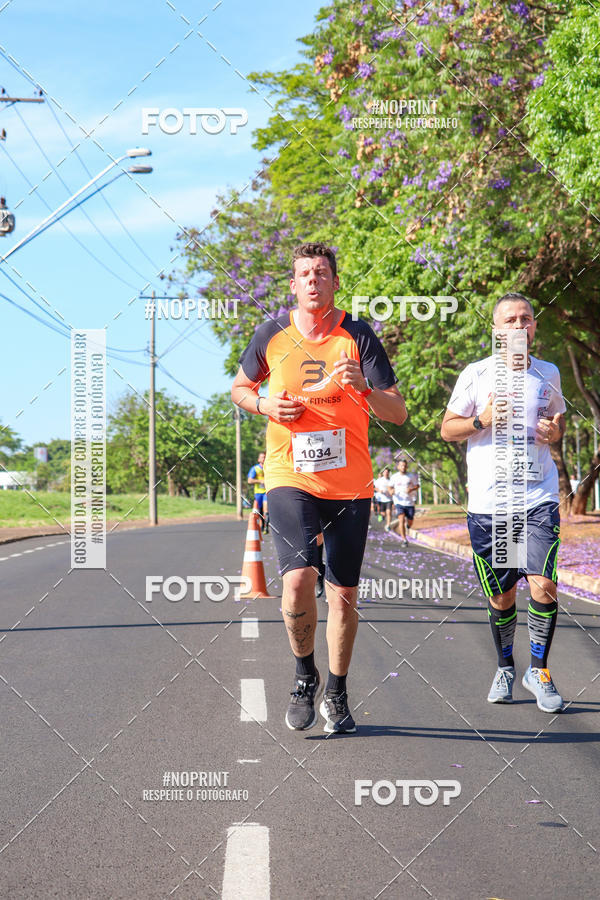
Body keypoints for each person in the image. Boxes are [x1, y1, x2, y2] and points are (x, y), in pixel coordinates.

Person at [231, 242, 406, 733]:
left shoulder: (358, 335)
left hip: (349, 484)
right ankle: (304, 674)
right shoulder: (272, 333)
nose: (313, 279)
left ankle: (338, 689)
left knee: (343, 592)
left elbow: (399, 412)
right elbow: (239, 389)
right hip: (291, 476)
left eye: (322, 272)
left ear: (333, 282)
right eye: (304, 273)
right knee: (297, 579)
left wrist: (366, 389)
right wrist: (265, 406)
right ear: (294, 285)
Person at [441, 292, 566, 713]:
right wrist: (482, 420)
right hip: (492, 505)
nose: (518, 326)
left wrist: (552, 432)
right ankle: (506, 667)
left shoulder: (548, 373)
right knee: (503, 595)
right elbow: (447, 429)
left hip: (537, 497)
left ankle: (539, 670)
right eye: (509, 320)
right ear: (496, 331)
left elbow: (556, 423)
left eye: (525, 319)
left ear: (534, 327)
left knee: (543, 583)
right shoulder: (476, 375)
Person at [387, 458, 419, 545]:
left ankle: (409, 525)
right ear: (398, 467)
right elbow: (389, 487)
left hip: (409, 502)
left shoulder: (411, 476)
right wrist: (391, 491)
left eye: (405, 465)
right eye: (401, 465)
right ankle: (404, 540)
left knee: (410, 520)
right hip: (398, 502)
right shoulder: (394, 477)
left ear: (407, 467)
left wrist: (411, 489)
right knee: (401, 520)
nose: (403, 467)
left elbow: (417, 486)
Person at [247, 451, 269, 533]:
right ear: (259, 459)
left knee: (266, 510)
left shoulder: (270, 468)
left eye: (265, 457)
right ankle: (262, 525)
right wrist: (260, 481)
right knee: (260, 510)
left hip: (267, 492)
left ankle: (266, 527)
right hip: (258, 492)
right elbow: (249, 480)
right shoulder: (255, 468)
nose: (264, 458)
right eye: (262, 457)